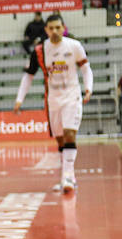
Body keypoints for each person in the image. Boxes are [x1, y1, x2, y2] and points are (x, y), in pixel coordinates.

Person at [14, 14, 92, 194]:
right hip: (53, 100)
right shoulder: (40, 51)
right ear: (46, 30)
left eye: (58, 27)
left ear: (63, 27)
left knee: (70, 133)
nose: (55, 31)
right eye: (51, 28)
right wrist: (19, 99)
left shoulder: (74, 46)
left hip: (72, 96)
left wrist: (88, 88)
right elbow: (29, 76)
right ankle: (69, 175)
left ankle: (67, 176)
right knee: (60, 140)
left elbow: (86, 69)